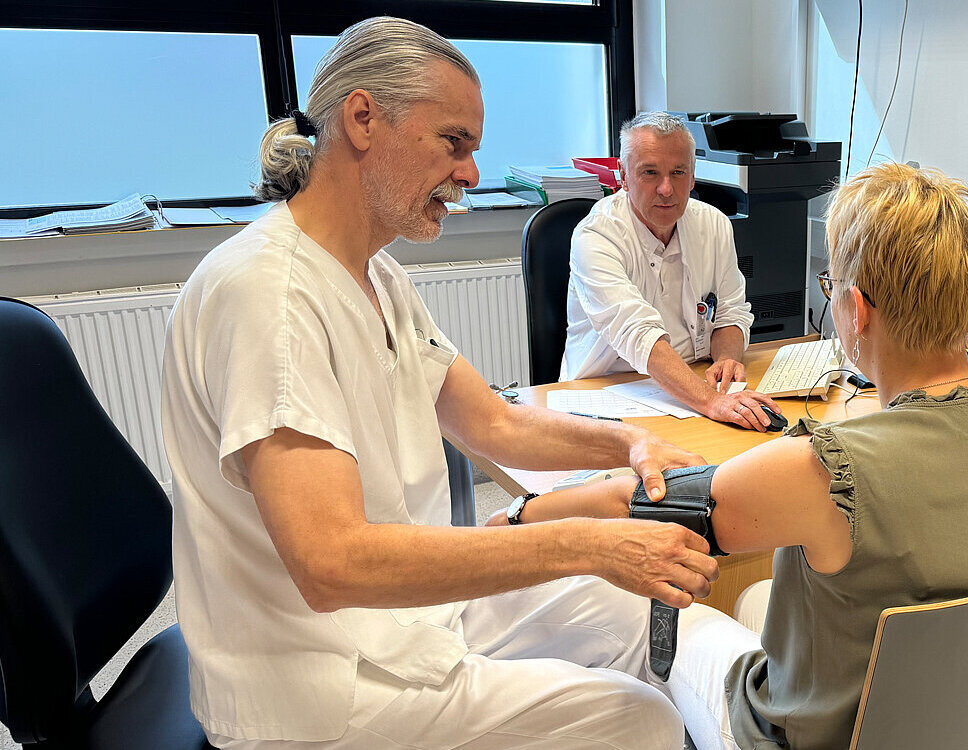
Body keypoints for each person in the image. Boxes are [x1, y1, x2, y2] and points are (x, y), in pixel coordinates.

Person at [161, 17, 719, 750]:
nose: (471, 175)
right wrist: (588, 543)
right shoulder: (268, 295)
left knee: (641, 615)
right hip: (315, 683)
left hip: (403, 621)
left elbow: (494, 424)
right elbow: (332, 564)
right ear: (363, 119)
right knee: (638, 720)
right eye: (453, 143)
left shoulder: (375, 273)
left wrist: (631, 444)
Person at [510, 163, 968, 750]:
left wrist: (521, 516)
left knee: (666, 615)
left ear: (857, 310)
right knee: (758, 599)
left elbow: (640, 504)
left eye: (830, 285)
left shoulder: (822, 471)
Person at [564, 112, 783, 431]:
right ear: (623, 176)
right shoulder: (596, 236)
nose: (666, 189)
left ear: (692, 177)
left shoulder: (714, 224)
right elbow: (638, 334)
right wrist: (712, 402)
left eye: (678, 172)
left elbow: (730, 313)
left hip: (689, 384)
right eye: (650, 173)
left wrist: (726, 358)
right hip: (607, 393)